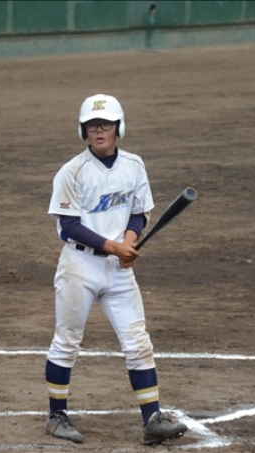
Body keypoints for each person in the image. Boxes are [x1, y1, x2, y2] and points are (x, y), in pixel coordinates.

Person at [44, 94, 188, 445]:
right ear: (83, 131)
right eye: (92, 125)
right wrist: (115, 247)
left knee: (138, 341)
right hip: (79, 266)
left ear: (118, 128)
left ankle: (152, 419)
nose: (99, 131)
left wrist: (130, 240)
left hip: (118, 268)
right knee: (67, 341)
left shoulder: (134, 166)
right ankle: (56, 416)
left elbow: (138, 212)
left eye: (105, 124)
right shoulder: (72, 172)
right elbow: (69, 227)